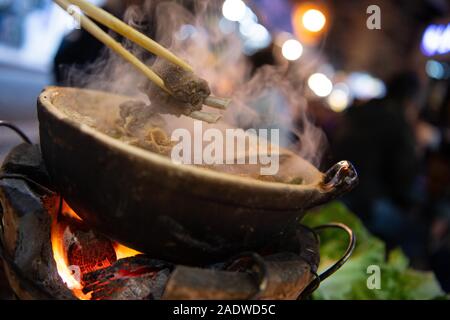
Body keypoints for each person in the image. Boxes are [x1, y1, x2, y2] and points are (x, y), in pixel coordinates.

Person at [332, 71, 426, 262]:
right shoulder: (399, 122)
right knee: (416, 235)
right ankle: (374, 278)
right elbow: (404, 178)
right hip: (367, 204)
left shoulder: (362, 109)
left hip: (335, 191)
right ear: (410, 99)